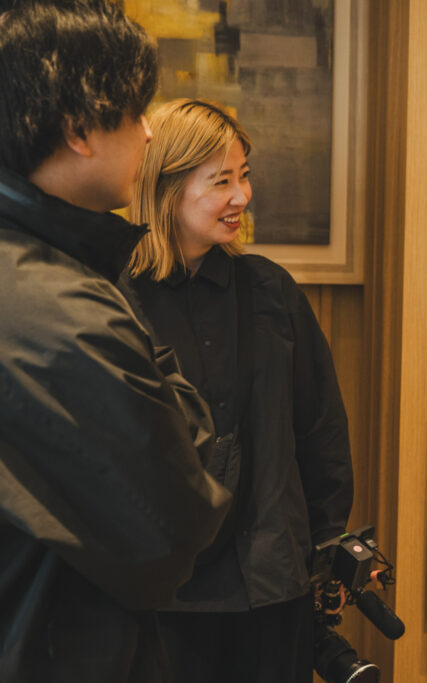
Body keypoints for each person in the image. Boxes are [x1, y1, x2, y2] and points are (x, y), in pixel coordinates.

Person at [0, 1, 232, 681]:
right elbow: (173, 517)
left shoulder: (50, 272)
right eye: (135, 113)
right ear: (79, 130)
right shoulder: (57, 310)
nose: (150, 132)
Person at [118, 98, 355, 683]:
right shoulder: (113, 300)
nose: (242, 196)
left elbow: (321, 432)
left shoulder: (272, 292)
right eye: (221, 180)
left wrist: (325, 547)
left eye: (244, 176)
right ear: (166, 187)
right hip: (158, 598)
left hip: (271, 588)